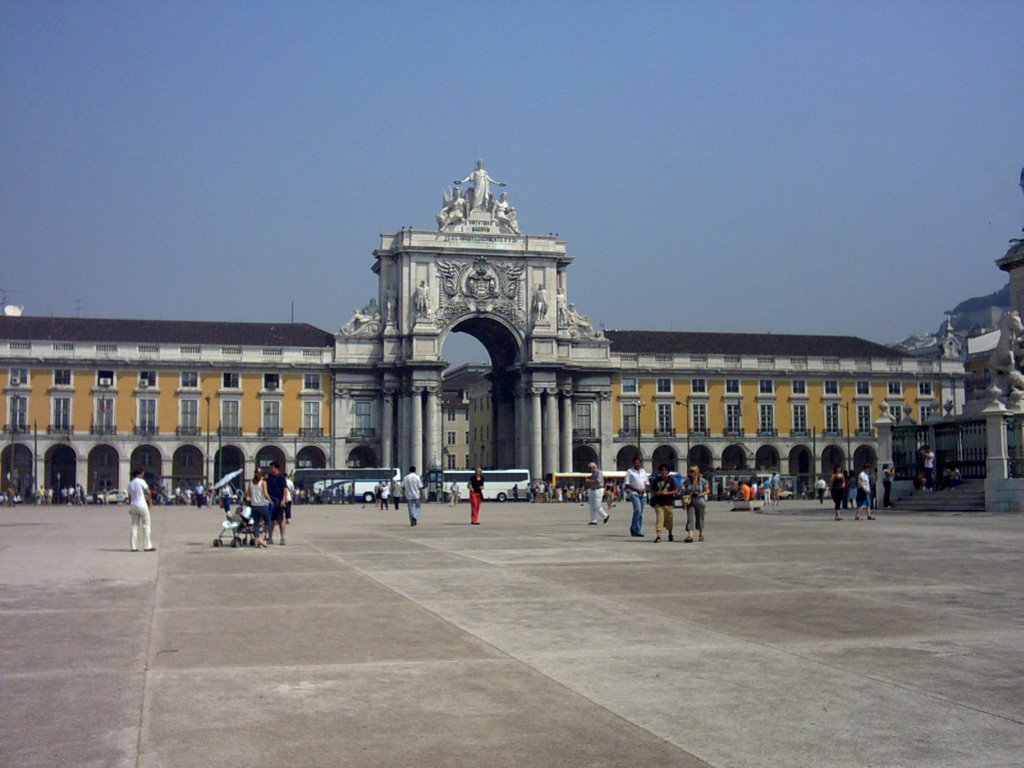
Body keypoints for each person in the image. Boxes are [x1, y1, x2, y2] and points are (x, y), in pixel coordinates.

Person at [127, 467, 155, 552]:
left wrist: (131, 504)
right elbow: (148, 491)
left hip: (133, 505)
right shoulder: (141, 481)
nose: (143, 475)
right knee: (146, 525)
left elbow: (129, 496)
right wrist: (149, 501)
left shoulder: (130, 483)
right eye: (142, 473)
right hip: (142, 504)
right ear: (139, 474)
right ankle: (147, 546)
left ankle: (133, 547)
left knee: (134, 526)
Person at [650, 464, 678, 543]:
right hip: (659, 503)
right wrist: (656, 493)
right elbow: (652, 489)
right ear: (660, 472)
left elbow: (676, 490)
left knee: (669, 520)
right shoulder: (656, 480)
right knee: (659, 519)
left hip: (669, 502)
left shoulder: (671, 480)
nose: (664, 472)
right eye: (662, 470)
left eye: (665, 470)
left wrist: (667, 493)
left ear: (668, 472)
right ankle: (658, 536)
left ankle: (670, 533)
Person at [682, 465, 710, 542]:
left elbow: (707, 490)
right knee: (690, 518)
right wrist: (684, 501)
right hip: (690, 501)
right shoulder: (687, 481)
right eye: (690, 471)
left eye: (692, 471)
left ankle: (701, 534)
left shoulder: (702, 480)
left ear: (697, 472)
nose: (691, 473)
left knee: (700, 518)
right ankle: (690, 535)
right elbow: (684, 491)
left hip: (700, 501)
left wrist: (700, 494)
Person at [624, 456, 650, 538]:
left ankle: (638, 530)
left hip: (643, 494)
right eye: (636, 463)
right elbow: (627, 483)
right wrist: (636, 489)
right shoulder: (630, 471)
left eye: (638, 462)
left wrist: (644, 489)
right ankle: (633, 527)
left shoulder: (643, 471)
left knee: (640, 513)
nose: (637, 464)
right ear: (633, 463)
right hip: (634, 493)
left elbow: (647, 482)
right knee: (637, 510)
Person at [246, 468, 271, 548]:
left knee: (256, 524)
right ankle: (262, 537)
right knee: (267, 522)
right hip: (262, 506)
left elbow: (248, 495)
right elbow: (266, 494)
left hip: (254, 507)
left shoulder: (250, 483)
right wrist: (271, 501)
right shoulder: (263, 482)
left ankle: (257, 542)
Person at [265, 462, 287, 545]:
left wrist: (283, 500)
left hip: (279, 501)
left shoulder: (281, 477)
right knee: (271, 520)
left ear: (276, 468)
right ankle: (270, 538)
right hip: (270, 501)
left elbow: (284, 489)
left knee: (280, 520)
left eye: (272, 468)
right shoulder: (269, 477)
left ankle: (282, 538)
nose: (270, 470)